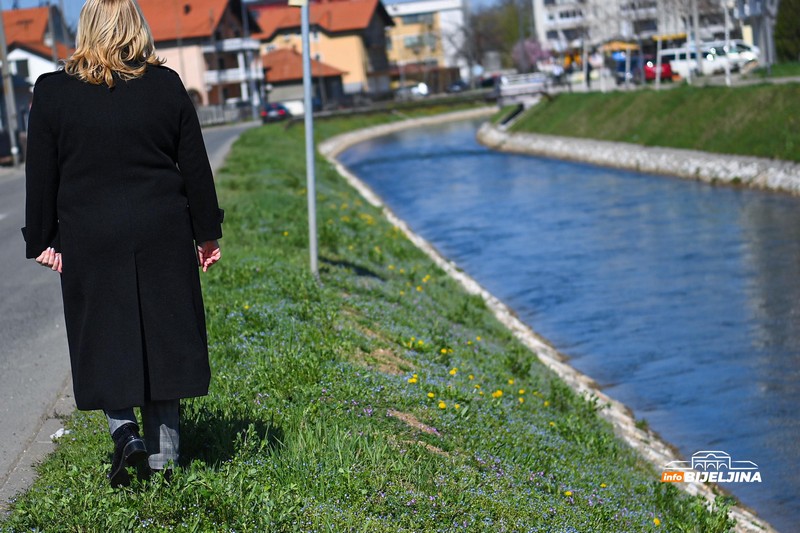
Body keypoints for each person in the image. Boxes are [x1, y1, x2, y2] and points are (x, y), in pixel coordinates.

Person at [23, 0, 223, 487]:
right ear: (137, 27)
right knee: (165, 337)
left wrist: (42, 239)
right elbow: (194, 166)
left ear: (86, 28)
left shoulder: (52, 93)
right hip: (162, 230)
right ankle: (165, 462)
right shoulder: (166, 85)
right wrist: (207, 232)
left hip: (90, 235)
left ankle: (125, 434)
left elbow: (42, 175)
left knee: (105, 334)